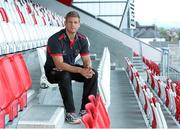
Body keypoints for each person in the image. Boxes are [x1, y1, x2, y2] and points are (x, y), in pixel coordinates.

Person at [44, 11, 98, 124]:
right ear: (65, 23)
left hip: (70, 68)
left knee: (93, 73)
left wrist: (87, 68)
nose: (73, 25)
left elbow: (86, 59)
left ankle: (85, 109)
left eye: (75, 22)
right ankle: (70, 113)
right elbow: (59, 64)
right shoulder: (55, 39)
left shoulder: (82, 39)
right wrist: (80, 70)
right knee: (64, 74)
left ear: (79, 24)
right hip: (53, 71)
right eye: (70, 22)